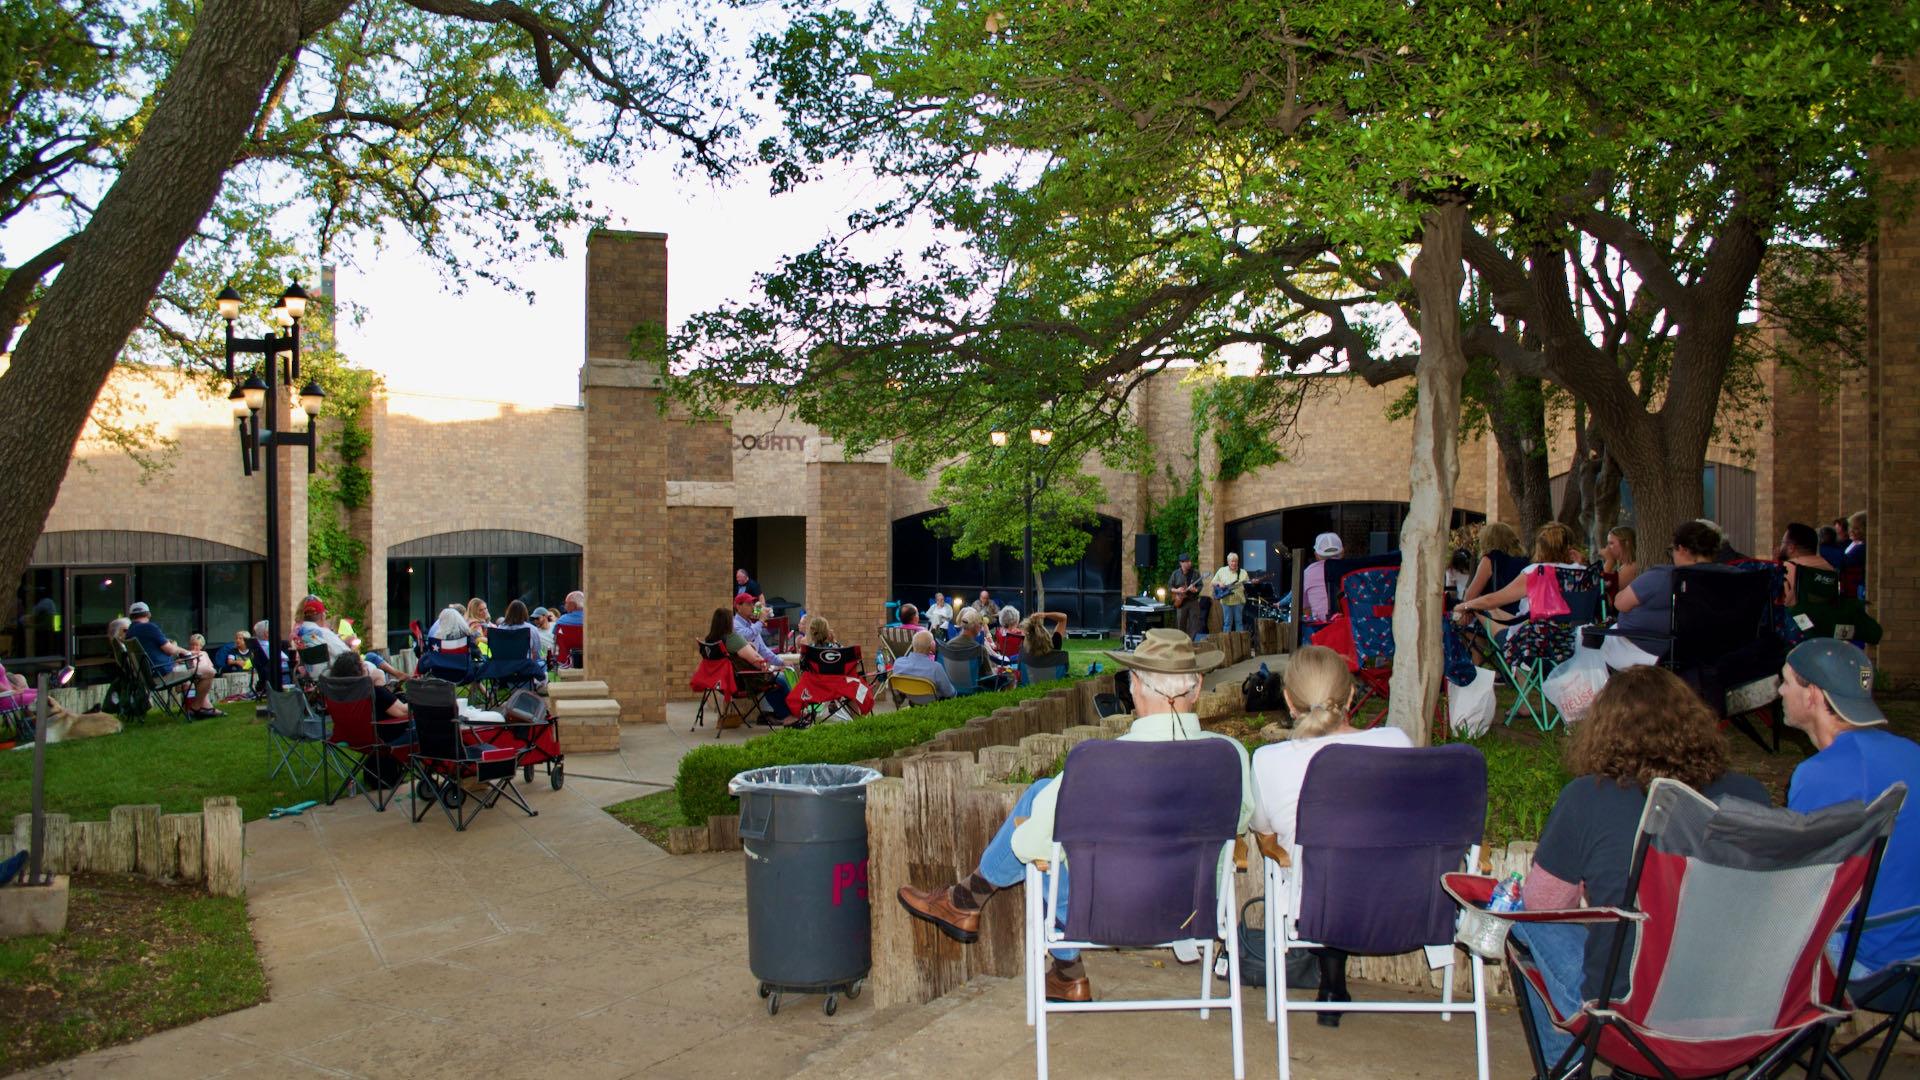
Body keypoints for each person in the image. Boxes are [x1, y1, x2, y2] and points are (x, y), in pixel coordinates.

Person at [895, 629, 1251, 1003]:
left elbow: (1025, 844)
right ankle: (1053, 964)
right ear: (1196, 688)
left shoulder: (1098, 766)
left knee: (1045, 817)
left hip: (1103, 912)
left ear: (1133, 688)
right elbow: (1242, 823)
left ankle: (980, 907)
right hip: (1192, 910)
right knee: (1050, 800)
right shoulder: (1232, 757)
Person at [1506, 665, 1769, 1069]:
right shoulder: (1748, 795)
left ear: (1604, 730)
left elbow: (1545, 905)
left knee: (1522, 919)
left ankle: (1567, 1071)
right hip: (1737, 1003)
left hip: (1629, 1007)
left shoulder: (1589, 798)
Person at [1247, 645, 1412, 1025]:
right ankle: (1333, 982)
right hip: (1400, 898)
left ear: (1288, 701)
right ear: (1352, 695)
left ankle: (1331, 980)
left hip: (1312, 905)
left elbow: (1265, 837)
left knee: (1313, 866)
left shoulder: (1269, 762)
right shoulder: (1396, 743)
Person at [1780, 639, 1920, 1011]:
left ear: (1812, 695)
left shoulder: (1820, 774)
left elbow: (1797, 888)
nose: (1779, 691)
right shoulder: (1911, 753)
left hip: (1869, 962)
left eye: (1786, 682)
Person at [1593, 519, 1727, 668]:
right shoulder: (1733, 576)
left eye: (1672, 550)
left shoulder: (1664, 576)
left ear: (1682, 549)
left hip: (1651, 652)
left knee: (1587, 646)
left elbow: (1620, 603)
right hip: (1708, 651)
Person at [1451, 522, 1587, 638]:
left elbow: (1492, 600)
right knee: (1485, 606)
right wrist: (1581, 565)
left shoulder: (1538, 572)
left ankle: (1474, 666)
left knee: (1479, 606)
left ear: (1541, 548)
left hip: (1533, 642)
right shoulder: (1583, 573)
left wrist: (1463, 606)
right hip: (1570, 638)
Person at [124, 601, 219, 718]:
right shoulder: (149, 628)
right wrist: (185, 651)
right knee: (209, 671)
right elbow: (170, 649)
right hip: (162, 675)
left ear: (131, 616)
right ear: (148, 614)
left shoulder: (130, 632)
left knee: (198, 670)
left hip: (149, 676)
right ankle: (196, 707)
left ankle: (207, 707)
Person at [707, 607, 791, 723]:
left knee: (776, 679)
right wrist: (774, 668)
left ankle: (782, 714)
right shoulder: (732, 639)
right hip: (743, 682)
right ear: (728, 623)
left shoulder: (711, 640)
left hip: (719, 683)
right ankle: (788, 715)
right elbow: (758, 662)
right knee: (780, 680)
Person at [1462, 522, 1528, 618]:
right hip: (1524, 617)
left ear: (1487, 541)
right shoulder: (1526, 560)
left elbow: (1470, 597)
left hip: (1500, 618)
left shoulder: (1490, 560)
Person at [1778, 522, 1839, 609]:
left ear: (1791, 547)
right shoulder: (1829, 567)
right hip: (1825, 619)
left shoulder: (1787, 568)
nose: (1781, 546)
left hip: (1796, 619)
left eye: (1782, 542)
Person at [891, 629, 958, 698]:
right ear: (931, 646)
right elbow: (950, 694)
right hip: (933, 705)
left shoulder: (898, 663)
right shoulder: (936, 668)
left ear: (913, 644)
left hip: (911, 701)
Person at [732, 592, 784, 670]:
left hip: (756, 669)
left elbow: (763, 650)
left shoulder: (752, 625)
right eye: (748, 604)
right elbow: (748, 636)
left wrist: (782, 663)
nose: (752, 607)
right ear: (738, 607)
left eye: (753, 604)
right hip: (745, 672)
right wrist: (761, 620)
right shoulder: (734, 624)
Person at [1300, 534, 1343, 624]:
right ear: (1343, 552)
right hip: (1348, 629)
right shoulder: (1350, 570)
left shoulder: (1308, 572)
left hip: (1320, 630)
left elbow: (1305, 609)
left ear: (1316, 555)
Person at [1168, 552, 1209, 639]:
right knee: (1180, 623)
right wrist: (1177, 590)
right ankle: (1181, 642)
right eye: (1186, 561)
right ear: (1181, 563)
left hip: (1193, 601)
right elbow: (1170, 587)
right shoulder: (1175, 574)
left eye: (1189, 561)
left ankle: (1191, 642)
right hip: (1180, 602)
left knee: (1195, 623)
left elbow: (1200, 585)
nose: (1189, 563)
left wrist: (1195, 590)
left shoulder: (1195, 573)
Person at [1211, 551, 1251, 632]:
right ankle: (1226, 643)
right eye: (1232, 561)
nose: (1234, 563)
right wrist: (1219, 583)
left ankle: (1240, 642)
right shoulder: (1222, 570)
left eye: (1235, 561)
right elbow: (1213, 582)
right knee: (1227, 623)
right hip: (1226, 601)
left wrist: (1251, 583)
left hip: (1239, 600)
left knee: (1239, 622)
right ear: (1228, 562)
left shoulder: (1243, 572)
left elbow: (1248, 586)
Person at [1600, 525, 1639, 602]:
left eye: (1611, 543)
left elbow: (1603, 588)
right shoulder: (1624, 565)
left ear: (1626, 543)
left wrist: (1609, 561)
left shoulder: (1631, 567)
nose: (1607, 547)